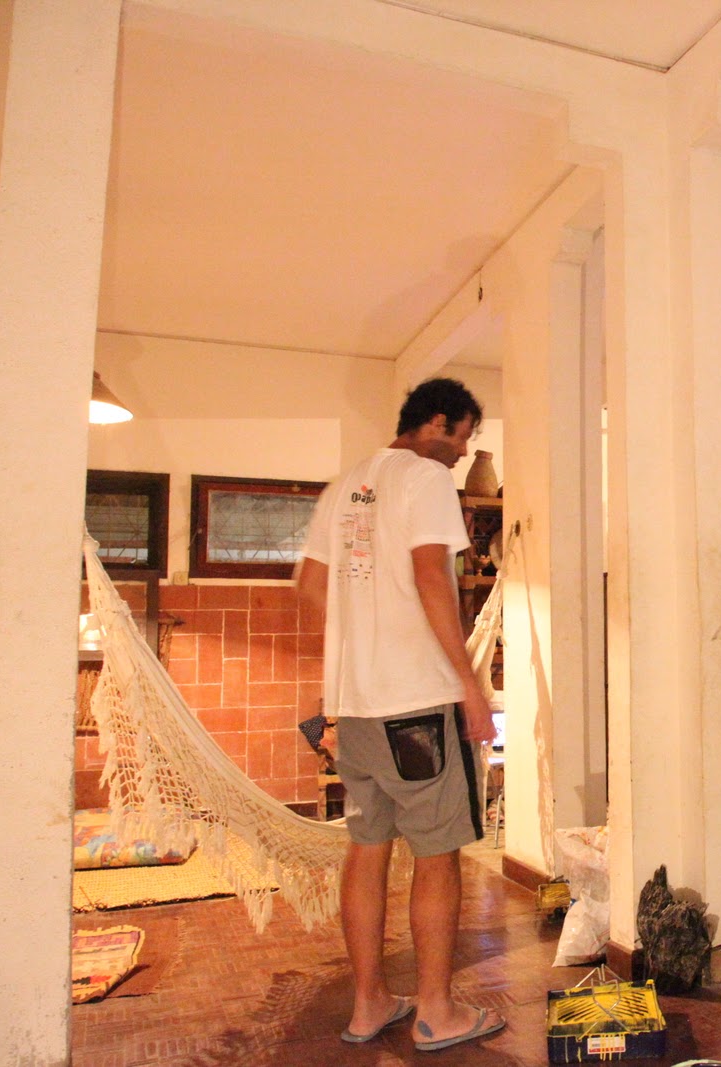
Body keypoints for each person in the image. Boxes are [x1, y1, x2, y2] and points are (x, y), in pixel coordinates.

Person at [296, 377, 505, 1053]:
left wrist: (358, 649)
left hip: (355, 709)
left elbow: (311, 585)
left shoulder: (344, 485)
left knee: (367, 848)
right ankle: (436, 1012)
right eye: (464, 437)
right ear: (437, 422)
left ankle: (369, 1004)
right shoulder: (425, 477)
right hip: (415, 707)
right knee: (437, 856)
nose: (463, 453)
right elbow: (429, 575)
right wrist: (469, 684)